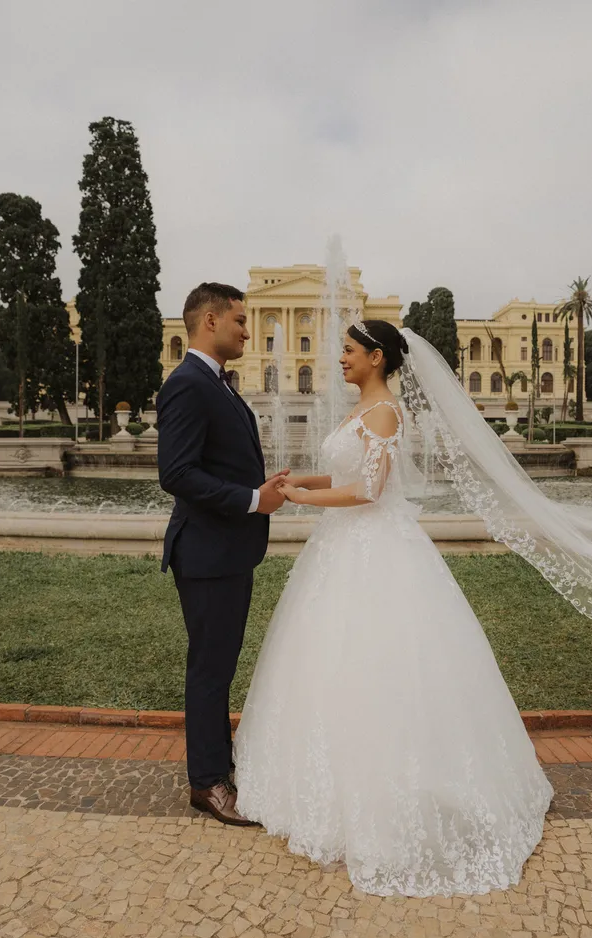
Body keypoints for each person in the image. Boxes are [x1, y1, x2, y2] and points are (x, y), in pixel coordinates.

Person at [232, 319, 554, 897]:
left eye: (350, 352)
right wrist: (298, 478)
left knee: (378, 659)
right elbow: (348, 472)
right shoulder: (364, 411)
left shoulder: (384, 412)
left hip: (374, 547)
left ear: (377, 358)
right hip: (342, 548)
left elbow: (368, 492)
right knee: (328, 659)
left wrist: (301, 499)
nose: (341, 360)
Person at [157, 282, 290, 827]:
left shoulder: (219, 385)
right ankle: (207, 782)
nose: (247, 330)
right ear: (209, 321)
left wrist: (261, 486)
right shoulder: (188, 383)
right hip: (207, 554)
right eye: (239, 320)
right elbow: (178, 474)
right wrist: (254, 499)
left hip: (227, 551)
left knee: (219, 666)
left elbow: (219, 462)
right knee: (210, 671)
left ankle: (218, 766)